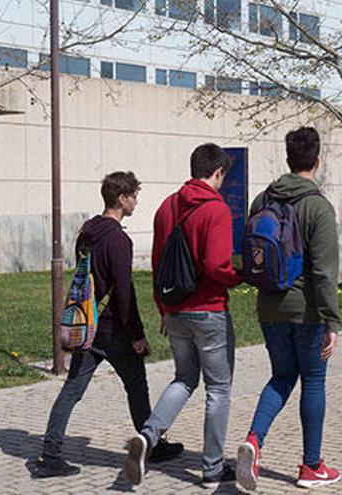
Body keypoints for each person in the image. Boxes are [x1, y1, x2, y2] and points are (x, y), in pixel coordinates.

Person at [33, 172, 183, 479]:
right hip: (113, 328)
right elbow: (123, 291)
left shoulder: (87, 233)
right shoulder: (117, 239)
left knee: (73, 390)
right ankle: (151, 445)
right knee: (136, 384)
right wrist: (137, 335)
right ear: (121, 199)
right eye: (133, 196)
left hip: (88, 324)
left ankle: (50, 454)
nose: (136, 201)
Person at [124, 144, 243, 489]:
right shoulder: (216, 210)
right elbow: (216, 266)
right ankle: (212, 468)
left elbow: (159, 264)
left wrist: (163, 309)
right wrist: (241, 276)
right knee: (218, 389)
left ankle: (148, 435)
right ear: (218, 171)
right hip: (209, 311)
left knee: (184, 379)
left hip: (175, 310)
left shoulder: (167, 207)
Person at [235, 127, 342, 491]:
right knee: (313, 380)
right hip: (308, 312)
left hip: (268, 307)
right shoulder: (318, 206)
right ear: (317, 159)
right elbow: (325, 272)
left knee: (281, 377)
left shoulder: (262, 200)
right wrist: (332, 320)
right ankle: (312, 466)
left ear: (287, 158)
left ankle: (253, 440)